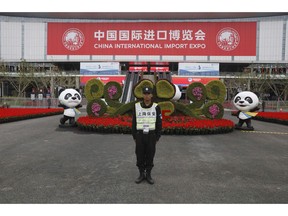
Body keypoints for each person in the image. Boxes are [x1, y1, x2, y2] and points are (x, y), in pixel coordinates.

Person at [132, 86, 162, 184]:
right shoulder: (136, 106)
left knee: (150, 155)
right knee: (140, 155)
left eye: (148, 93)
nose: (147, 96)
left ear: (152, 95)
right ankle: (141, 174)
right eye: (145, 94)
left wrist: (157, 137)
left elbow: (159, 123)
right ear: (142, 95)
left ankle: (148, 174)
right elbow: (134, 122)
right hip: (140, 135)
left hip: (151, 135)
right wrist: (134, 136)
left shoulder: (156, 107)